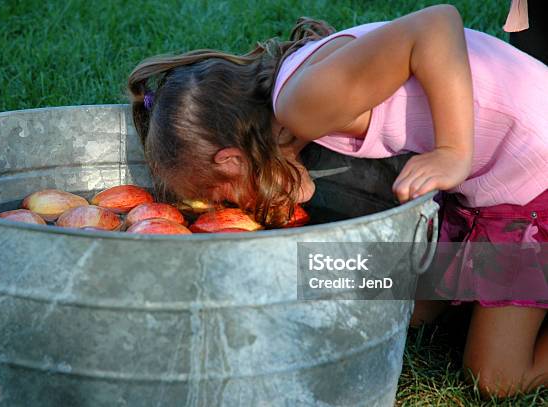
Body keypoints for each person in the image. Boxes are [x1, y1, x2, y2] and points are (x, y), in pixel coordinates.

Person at [127, 4, 548, 398]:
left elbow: (438, 23)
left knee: (495, 377)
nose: (233, 210)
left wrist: (453, 150)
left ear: (232, 160)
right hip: (492, 172)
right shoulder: (291, 101)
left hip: (532, 171)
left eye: (221, 198)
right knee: (403, 307)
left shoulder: (303, 106)